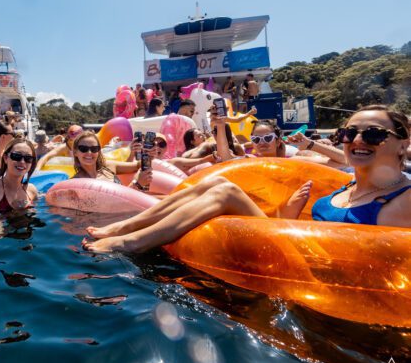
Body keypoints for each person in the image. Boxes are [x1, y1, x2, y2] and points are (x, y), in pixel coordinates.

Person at [82, 105, 411, 253]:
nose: (356, 140)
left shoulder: (403, 199)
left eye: (372, 134)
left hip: (316, 271)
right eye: (348, 132)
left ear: (403, 143)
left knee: (224, 190)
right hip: (296, 247)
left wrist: (309, 144)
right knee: (214, 185)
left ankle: (130, 241)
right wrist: (286, 215)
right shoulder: (347, 186)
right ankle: (126, 228)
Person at [71, 131, 146, 186]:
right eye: (83, 148)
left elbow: (136, 166)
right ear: (75, 152)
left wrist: (147, 153)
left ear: (99, 151)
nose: (89, 152)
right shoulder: (75, 183)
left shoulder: (108, 166)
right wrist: (137, 184)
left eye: (94, 148)